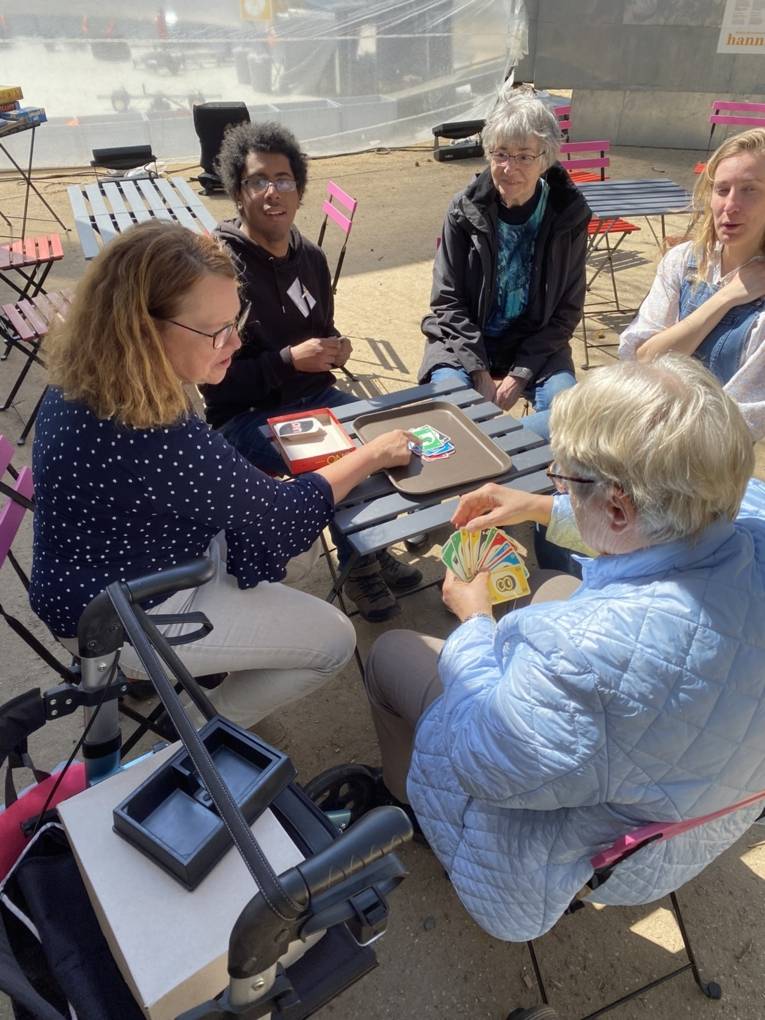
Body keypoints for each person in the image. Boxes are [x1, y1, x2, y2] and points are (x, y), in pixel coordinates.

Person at [360, 355, 765, 942]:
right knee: (552, 587)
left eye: (564, 481)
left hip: (584, 855)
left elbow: (478, 757)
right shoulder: (746, 511)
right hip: (701, 816)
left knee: (393, 653)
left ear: (619, 506)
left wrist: (473, 620)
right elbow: (671, 531)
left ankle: (407, 803)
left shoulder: (579, 654)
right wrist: (538, 508)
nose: (557, 487)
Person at [30, 220, 413, 729]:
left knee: (285, 570)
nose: (234, 342)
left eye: (238, 321)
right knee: (334, 640)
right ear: (143, 329)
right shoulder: (155, 432)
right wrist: (371, 455)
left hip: (94, 576)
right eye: (217, 331)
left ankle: (193, 688)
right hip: (119, 616)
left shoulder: (91, 378)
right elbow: (285, 517)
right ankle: (190, 736)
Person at [200, 120, 421, 623]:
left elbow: (322, 327)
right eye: (258, 181)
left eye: (283, 179)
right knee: (347, 457)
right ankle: (361, 565)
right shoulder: (218, 268)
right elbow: (215, 381)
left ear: (299, 189)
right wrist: (287, 361)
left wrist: (334, 348)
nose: (272, 192)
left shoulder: (312, 259)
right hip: (249, 416)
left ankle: (365, 546)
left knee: (389, 436)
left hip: (318, 396)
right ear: (238, 192)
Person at [419, 91, 591, 441]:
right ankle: (494, 451)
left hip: (538, 346)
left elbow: (567, 311)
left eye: (524, 156)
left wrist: (520, 375)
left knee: (571, 422)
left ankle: (493, 452)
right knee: (447, 415)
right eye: (501, 154)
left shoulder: (568, 216)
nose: (509, 169)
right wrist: (480, 372)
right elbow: (447, 301)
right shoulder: (463, 209)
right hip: (462, 343)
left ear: (545, 159)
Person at [620, 126, 765, 440]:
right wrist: (725, 298)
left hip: (704, 464)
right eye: (722, 189)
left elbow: (741, 421)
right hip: (642, 430)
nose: (730, 206)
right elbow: (642, 358)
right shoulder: (684, 260)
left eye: (749, 190)